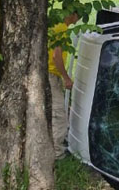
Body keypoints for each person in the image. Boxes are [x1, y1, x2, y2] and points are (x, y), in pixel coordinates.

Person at [48, 12, 79, 159]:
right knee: (59, 116)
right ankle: (57, 154)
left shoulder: (54, 24)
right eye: (78, 15)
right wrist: (66, 78)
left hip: (46, 74)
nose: (78, 20)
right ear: (72, 14)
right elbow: (56, 56)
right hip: (51, 75)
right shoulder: (61, 29)